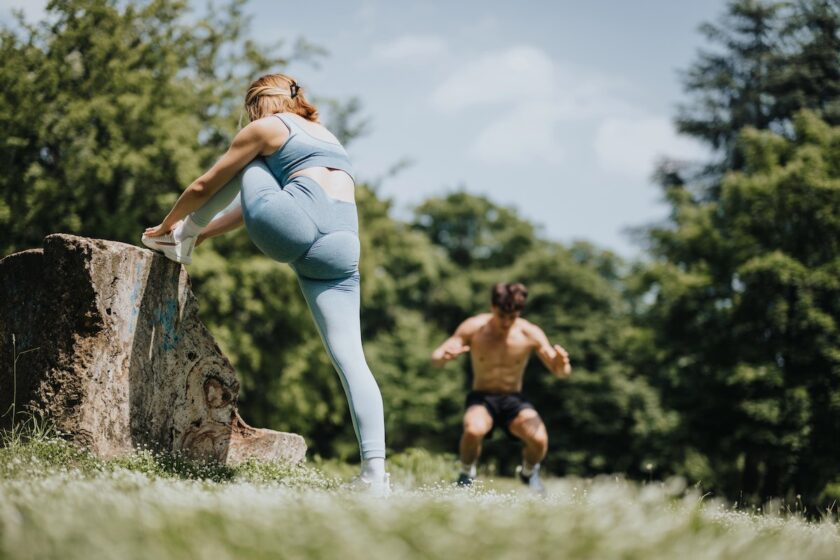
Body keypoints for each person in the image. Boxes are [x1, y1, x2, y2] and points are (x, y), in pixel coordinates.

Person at [142, 73, 389, 494]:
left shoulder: (267, 128)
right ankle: (375, 477)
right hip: (342, 248)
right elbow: (261, 207)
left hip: (293, 225)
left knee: (246, 160)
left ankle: (179, 238)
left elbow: (205, 185)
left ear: (256, 103)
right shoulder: (328, 137)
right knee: (352, 360)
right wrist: (207, 233)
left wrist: (169, 225)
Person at [431, 282, 571, 494]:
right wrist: (444, 356)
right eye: (501, 316)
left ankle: (528, 473)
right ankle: (466, 474)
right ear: (492, 307)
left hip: (514, 399)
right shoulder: (474, 327)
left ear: (519, 313)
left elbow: (561, 372)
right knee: (473, 430)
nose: (506, 322)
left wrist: (561, 364)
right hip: (482, 398)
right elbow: (436, 358)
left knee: (540, 440)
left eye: (512, 317)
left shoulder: (530, 333)